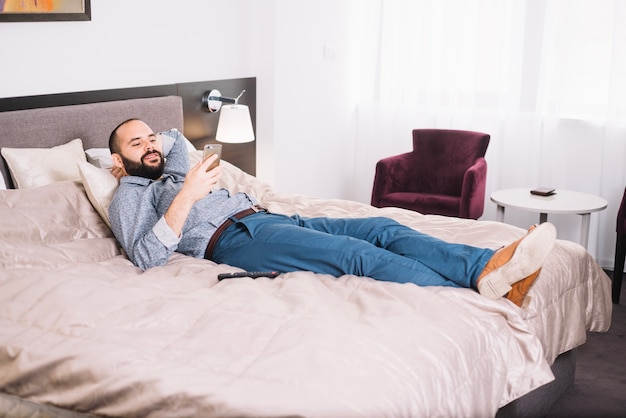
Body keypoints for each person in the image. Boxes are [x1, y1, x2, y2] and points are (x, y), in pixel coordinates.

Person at [108, 118, 556, 307]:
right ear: (117, 161)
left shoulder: (171, 162)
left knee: (381, 225)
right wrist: (185, 195)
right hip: (234, 240)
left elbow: (169, 132)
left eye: (151, 140)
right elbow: (145, 256)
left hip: (268, 216)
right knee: (351, 254)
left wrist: (154, 140)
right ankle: (474, 297)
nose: (151, 145)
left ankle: (484, 266)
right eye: (137, 144)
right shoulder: (130, 193)